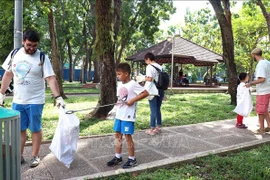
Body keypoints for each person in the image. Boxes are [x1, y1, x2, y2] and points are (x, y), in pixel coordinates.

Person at [0, 29, 65, 167]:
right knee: (19, 130)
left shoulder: (42, 57)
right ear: (23, 41)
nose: (32, 48)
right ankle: (19, 155)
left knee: (35, 129)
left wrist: (58, 97)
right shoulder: (14, 54)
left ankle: (35, 156)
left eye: (34, 45)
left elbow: (50, 78)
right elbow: (7, 75)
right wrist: (1, 94)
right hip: (18, 101)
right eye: (29, 45)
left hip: (35, 101)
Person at [107, 62, 148, 169]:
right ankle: (118, 157)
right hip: (119, 115)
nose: (118, 76)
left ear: (126, 73)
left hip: (128, 116)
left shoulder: (133, 83)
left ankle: (132, 159)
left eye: (119, 74)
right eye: (117, 74)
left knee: (127, 136)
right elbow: (119, 98)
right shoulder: (120, 84)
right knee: (117, 135)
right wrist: (115, 107)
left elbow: (145, 93)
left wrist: (132, 100)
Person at [246, 48, 270, 134]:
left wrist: (250, 83)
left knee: (260, 111)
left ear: (254, 55)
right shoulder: (267, 62)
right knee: (266, 109)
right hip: (268, 89)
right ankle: (269, 126)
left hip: (263, 91)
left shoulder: (260, 64)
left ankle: (261, 128)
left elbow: (262, 79)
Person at [144, 52, 164, 135]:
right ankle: (158, 127)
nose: (145, 62)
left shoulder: (149, 66)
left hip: (153, 90)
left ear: (148, 59)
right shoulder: (160, 67)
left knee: (153, 109)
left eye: (145, 60)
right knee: (158, 108)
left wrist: (143, 78)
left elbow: (149, 79)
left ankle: (152, 129)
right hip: (161, 89)